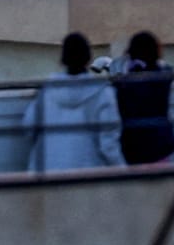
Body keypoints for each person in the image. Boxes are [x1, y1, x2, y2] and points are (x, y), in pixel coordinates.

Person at [21, 32, 123, 173]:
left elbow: (29, 126)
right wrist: (124, 172)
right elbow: (108, 146)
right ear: (88, 59)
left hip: (45, 174)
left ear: (63, 59)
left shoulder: (46, 91)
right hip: (87, 178)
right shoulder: (102, 93)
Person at [114, 30, 174, 166]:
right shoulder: (163, 77)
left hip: (133, 147)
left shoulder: (124, 83)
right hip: (159, 145)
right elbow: (168, 69)